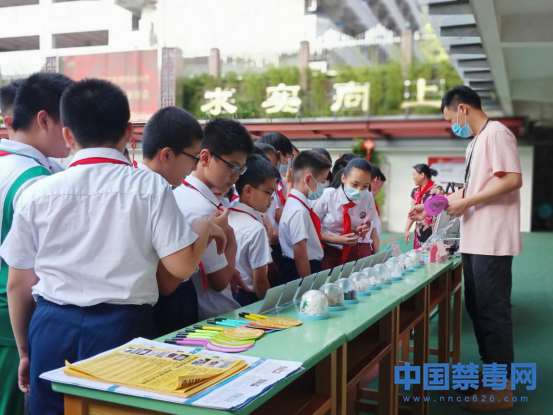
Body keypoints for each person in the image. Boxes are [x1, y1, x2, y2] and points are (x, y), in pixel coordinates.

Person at [0, 79, 226, 415]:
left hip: (51, 327)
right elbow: (181, 267)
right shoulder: (149, 186)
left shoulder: (38, 192)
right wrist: (202, 229)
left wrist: (25, 352)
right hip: (122, 329)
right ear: (129, 132)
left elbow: (18, 284)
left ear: (68, 135)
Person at [409, 85, 523, 412]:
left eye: (450, 119)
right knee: (476, 307)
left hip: (493, 240)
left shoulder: (496, 134)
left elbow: (512, 180)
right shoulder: (475, 142)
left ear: (462, 109)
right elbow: (468, 190)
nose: (452, 126)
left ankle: (502, 390)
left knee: (492, 311)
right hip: (475, 239)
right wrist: (429, 208)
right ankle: (492, 376)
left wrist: (469, 201)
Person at [0, 72, 73, 415]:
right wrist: (25, 349)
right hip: (14, 321)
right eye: (68, 121)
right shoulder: (38, 183)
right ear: (44, 120)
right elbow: (26, 274)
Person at [139, 106, 228, 335]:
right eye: (193, 157)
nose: (195, 166)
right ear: (167, 155)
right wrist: (205, 229)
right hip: (164, 308)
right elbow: (170, 281)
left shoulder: (143, 185)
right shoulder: (157, 190)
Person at [173, 118, 255, 321]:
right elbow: (219, 281)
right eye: (233, 167)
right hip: (214, 316)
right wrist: (231, 243)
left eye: (241, 169)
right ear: (205, 157)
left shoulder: (180, 193)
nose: (236, 176)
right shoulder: (203, 209)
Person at [230, 155, 279, 306]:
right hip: (250, 298)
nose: (271, 199)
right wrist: (272, 309)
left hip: (231, 293)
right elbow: (260, 282)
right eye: (268, 192)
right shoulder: (256, 229)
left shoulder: (228, 214)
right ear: (248, 190)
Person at [313, 159, 379, 270]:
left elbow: (367, 222)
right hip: (328, 250)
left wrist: (364, 229)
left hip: (354, 249)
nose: (359, 190)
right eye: (355, 184)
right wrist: (336, 240)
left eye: (365, 186)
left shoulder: (367, 197)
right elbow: (312, 229)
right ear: (343, 178)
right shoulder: (327, 196)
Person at [278, 150, 331, 283]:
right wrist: (307, 285)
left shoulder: (295, 203)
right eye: (322, 181)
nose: (325, 185)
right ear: (308, 179)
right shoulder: (299, 211)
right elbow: (300, 255)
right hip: (302, 270)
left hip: (301, 267)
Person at [256, 133, 295, 282]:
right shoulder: (272, 186)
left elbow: (280, 215)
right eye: (289, 157)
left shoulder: (279, 184)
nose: (290, 162)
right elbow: (285, 218)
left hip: (277, 245)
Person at [404, 164, 438, 248]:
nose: (413, 177)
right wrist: (407, 229)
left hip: (433, 232)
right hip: (419, 233)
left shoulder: (437, 190)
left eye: (414, 174)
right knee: (418, 254)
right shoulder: (415, 192)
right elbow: (412, 212)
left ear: (422, 175)